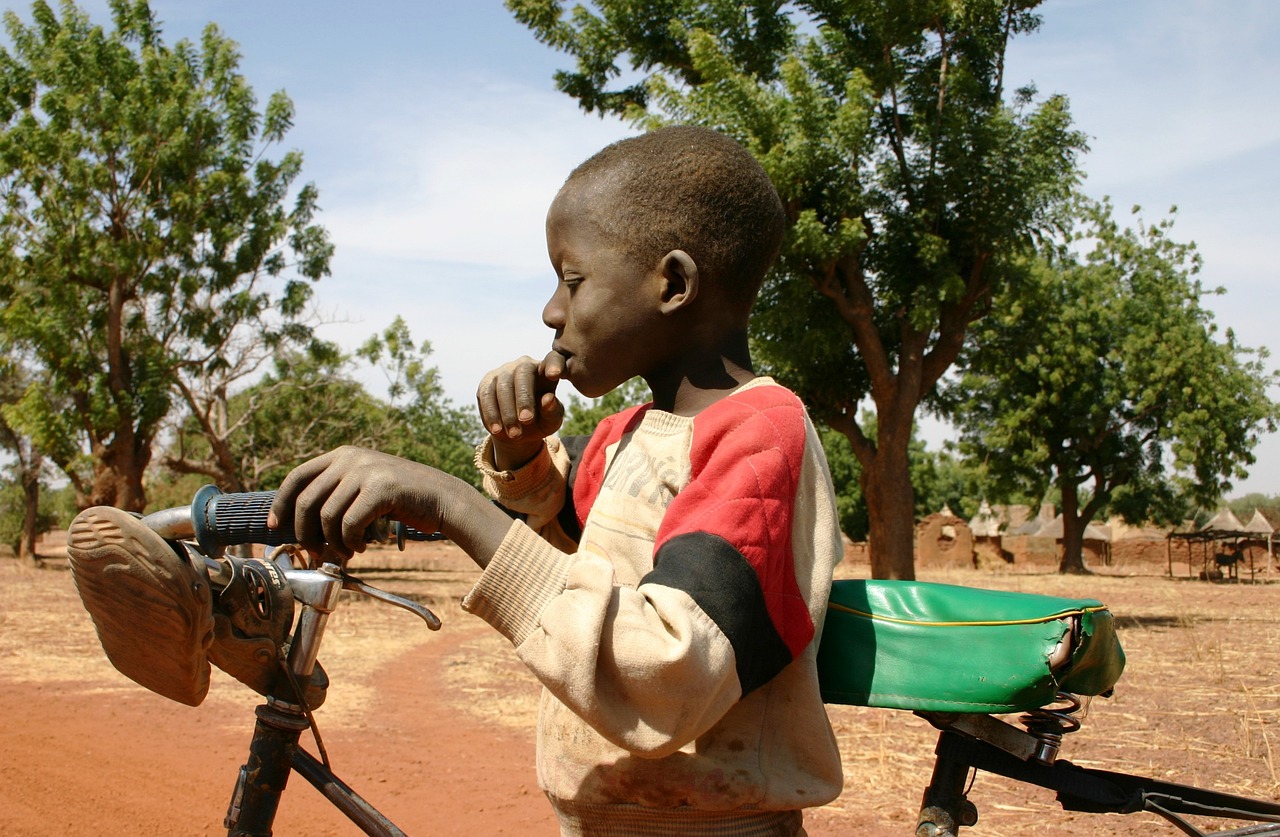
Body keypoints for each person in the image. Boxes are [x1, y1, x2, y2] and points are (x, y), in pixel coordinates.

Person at [75, 125, 846, 836]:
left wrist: (446, 499)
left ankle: (238, 610)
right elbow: (570, 562)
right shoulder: (625, 435)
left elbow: (668, 675)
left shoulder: (759, 433)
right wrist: (517, 459)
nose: (550, 311)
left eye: (571, 281)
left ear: (672, 283)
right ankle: (241, 604)